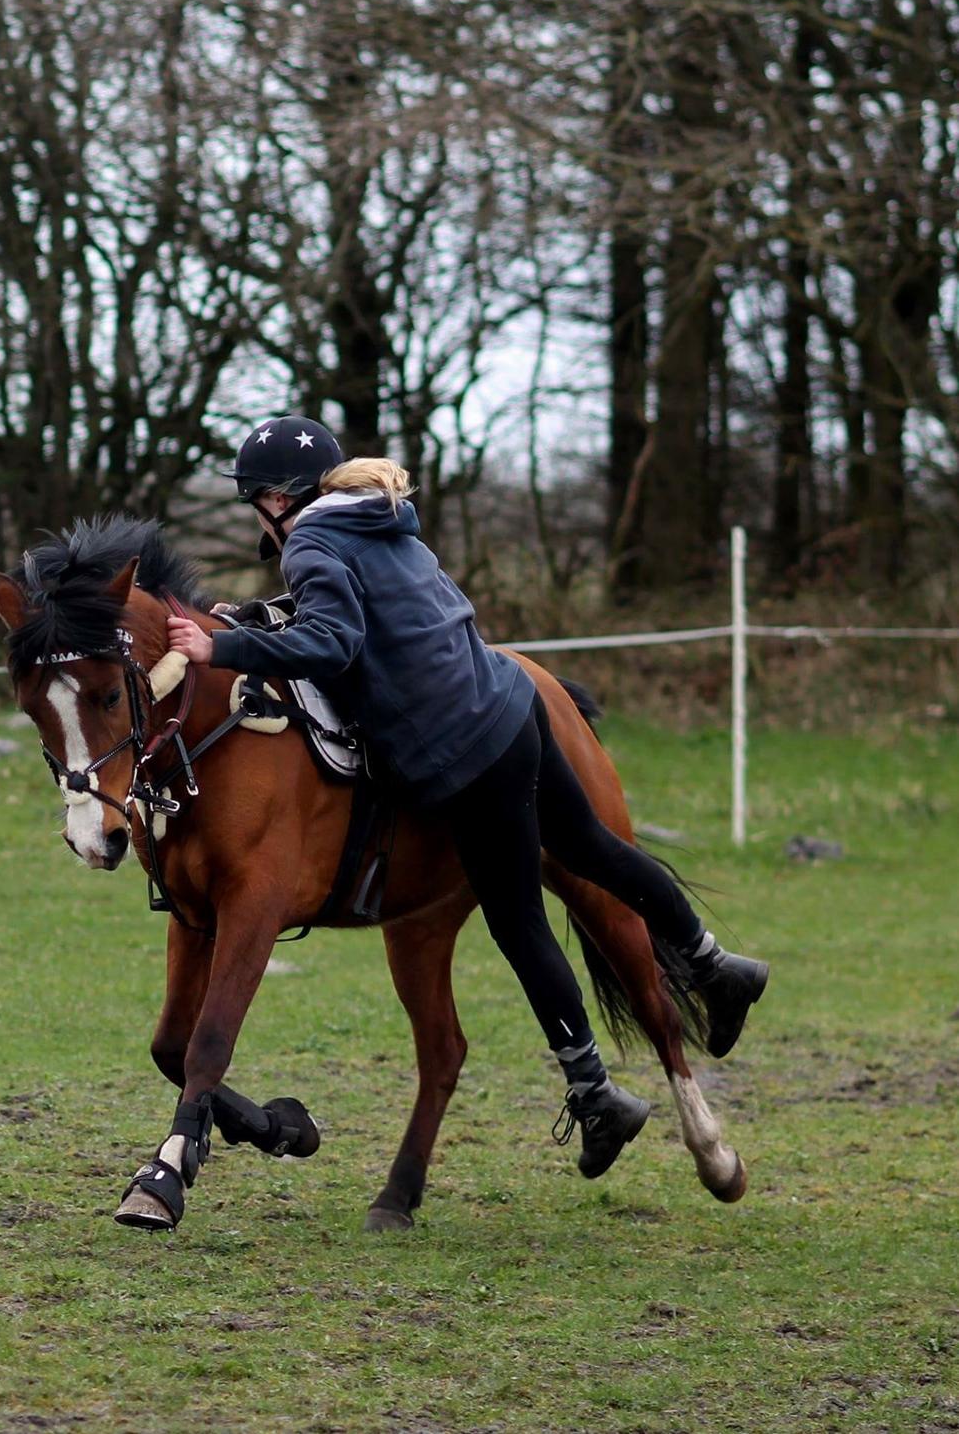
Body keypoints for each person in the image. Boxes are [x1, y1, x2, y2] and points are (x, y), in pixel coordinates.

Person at [166, 415, 768, 1178]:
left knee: (521, 923)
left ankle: (596, 1095)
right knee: (594, 852)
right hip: (512, 702)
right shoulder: (382, 518)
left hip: (465, 751)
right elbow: (372, 615)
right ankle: (717, 965)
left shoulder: (314, 541)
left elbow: (334, 644)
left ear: (276, 500)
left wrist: (220, 646)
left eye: (254, 502)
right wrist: (262, 620)